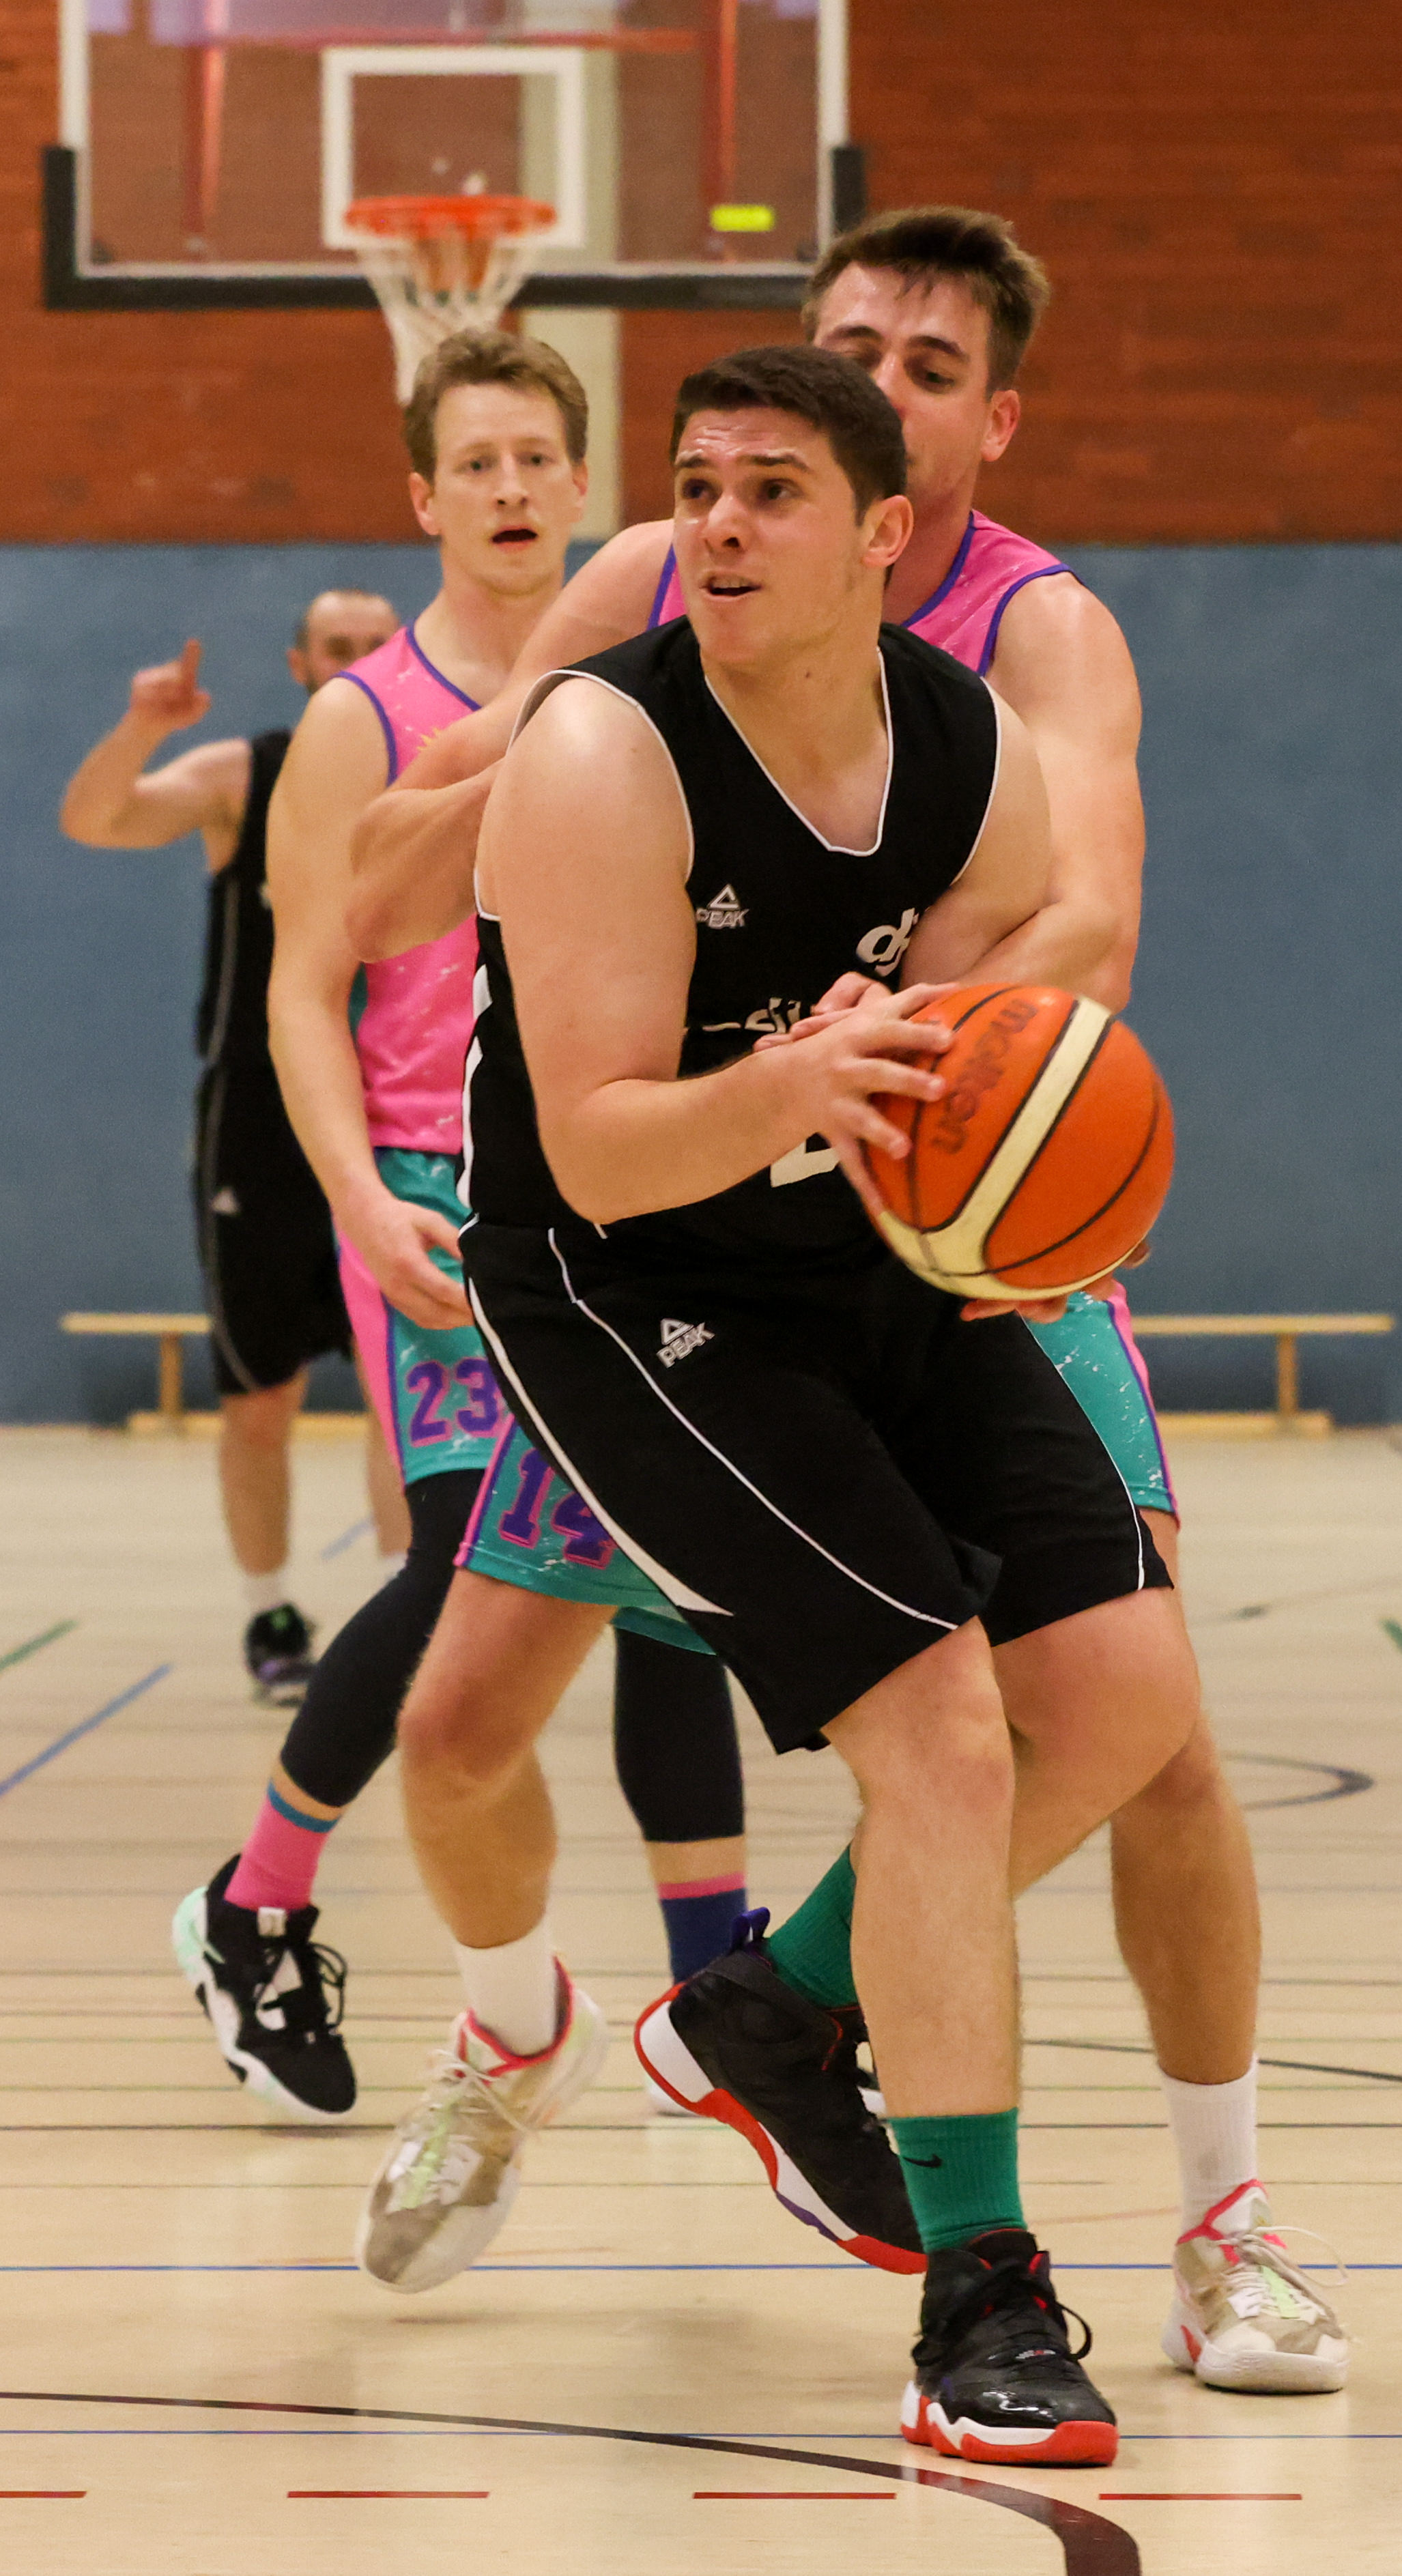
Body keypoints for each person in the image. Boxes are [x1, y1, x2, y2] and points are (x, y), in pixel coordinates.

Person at [345, 207, 1347, 2399]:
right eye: (696, 485)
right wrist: (792, 1070)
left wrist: (927, 1065)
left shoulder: (998, 690)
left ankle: (774, 2008)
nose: (716, 520)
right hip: (631, 1274)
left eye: (771, 485)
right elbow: (595, 1143)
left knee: (1123, 1698)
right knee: (896, 1732)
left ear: (904, 501)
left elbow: (1067, 946)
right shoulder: (610, 717)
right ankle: (976, 2286)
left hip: (889, 1229)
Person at [171, 331, 752, 2123]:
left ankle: (714, 1994)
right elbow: (299, 989)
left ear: (580, 485)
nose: (507, 489)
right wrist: (355, 1193)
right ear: (423, 497)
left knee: (671, 1577)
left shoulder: (656, 677)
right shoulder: (366, 717)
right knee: (456, 1564)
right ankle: (254, 1901)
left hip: (618, 1175)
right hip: (431, 1183)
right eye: (473, 462)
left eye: (533, 459)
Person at [61, 596, 409, 1704]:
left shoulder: (433, 770)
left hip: (395, 1111)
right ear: (302, 663)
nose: (356, 661)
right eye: (336, 648)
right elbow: (95, 819)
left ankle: (401, 1615)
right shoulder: (246, 777)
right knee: (259, 1398)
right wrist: (141, 727)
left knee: (399, 1389)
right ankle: (270, 1611)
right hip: (258, 1127)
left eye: (375, 644)